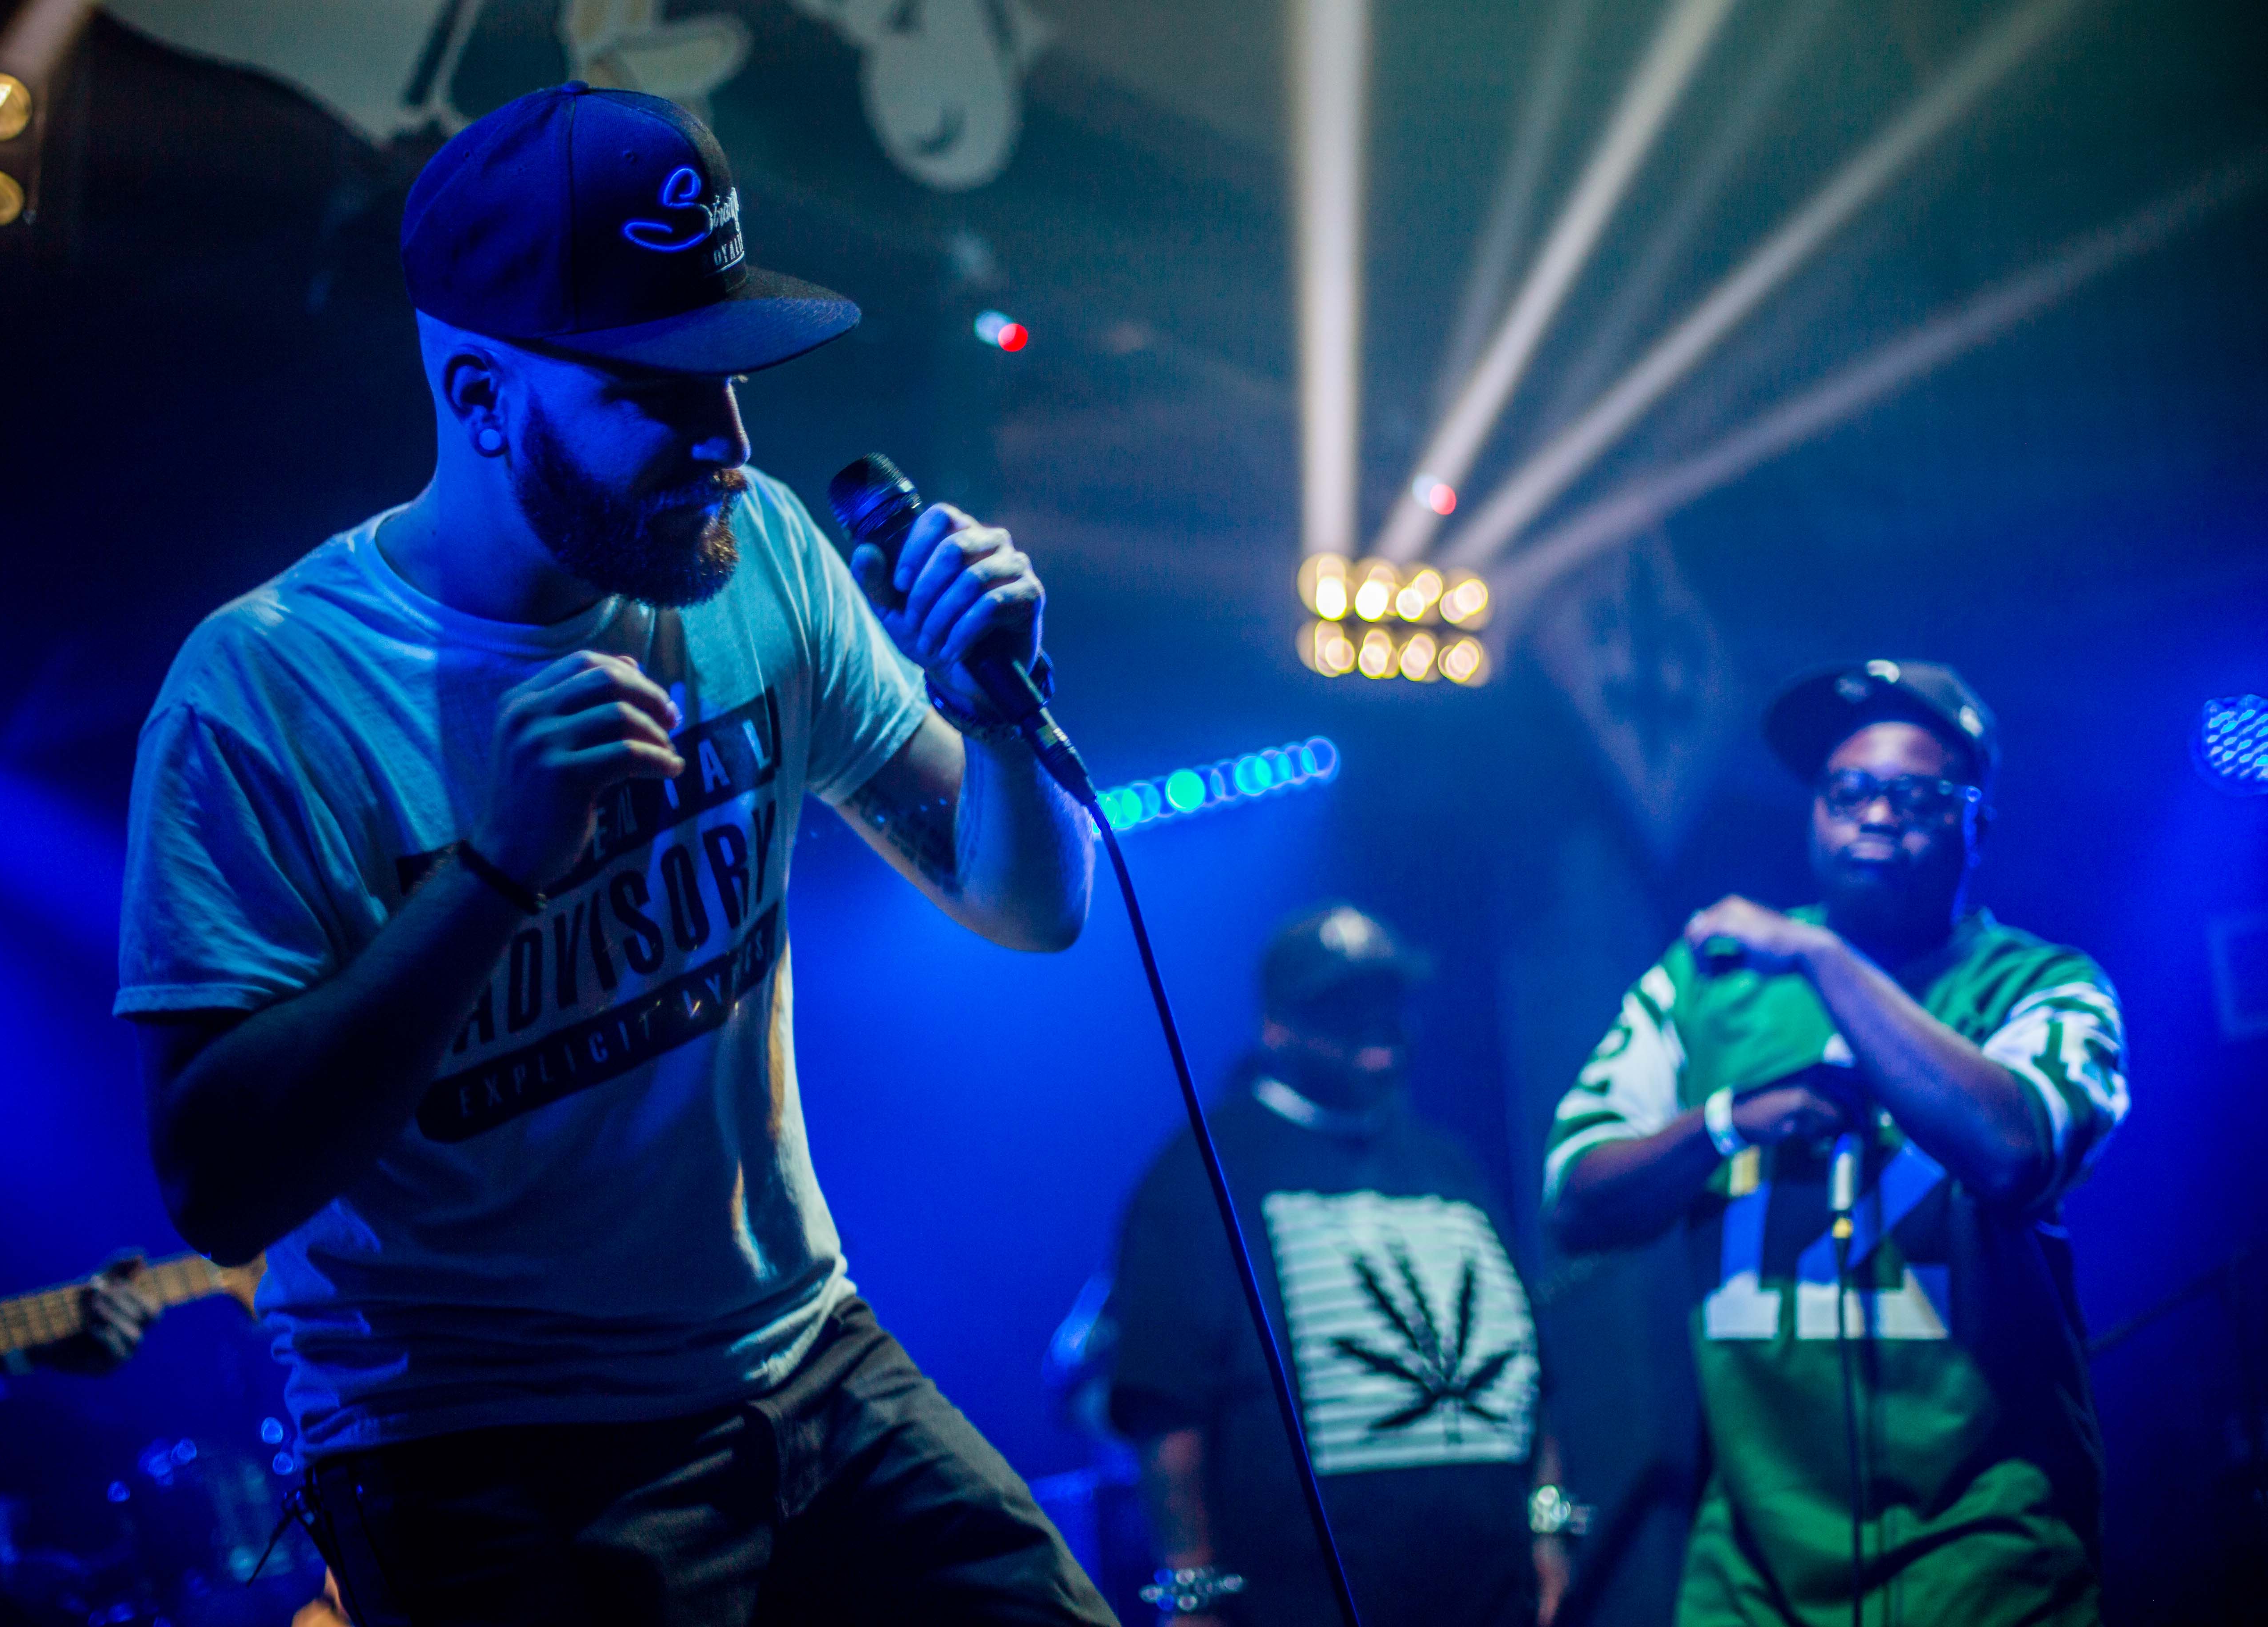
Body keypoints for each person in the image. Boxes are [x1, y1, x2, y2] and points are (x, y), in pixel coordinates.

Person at [115, 85, 1112, 1627]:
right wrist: (493, 874)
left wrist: (996, 719)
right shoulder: (267, 689)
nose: (729, 443)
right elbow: (217, 1186)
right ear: (482, 394)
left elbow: (1029, 905)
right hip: (475, 1438)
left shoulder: (761, 557)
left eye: (734, 376)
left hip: (804, 1357)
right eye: (660, 390)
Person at [1543, 661, 2128, 1627]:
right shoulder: (1708, 984)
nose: (1876, 816)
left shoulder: (2042, 987)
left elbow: (2015, 1152)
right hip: (1750, 1580)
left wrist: (1823, 958)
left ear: (1978, 825)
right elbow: (1575, 1199)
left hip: (1985, 1570)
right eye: (1847, 791)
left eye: (1916, 797)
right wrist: (1726, 1122)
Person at [1102, 904, 1573, 1627]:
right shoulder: (1205, 1171)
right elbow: (1169, 1400)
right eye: (1342, 1001)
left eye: (1389, 997)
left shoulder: (1449, 1164)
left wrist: (1547, 1525)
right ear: (1276, 1026)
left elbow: (1529, 1372)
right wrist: (1192, 1590)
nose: (1375, 1018)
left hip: (1494, 1600)